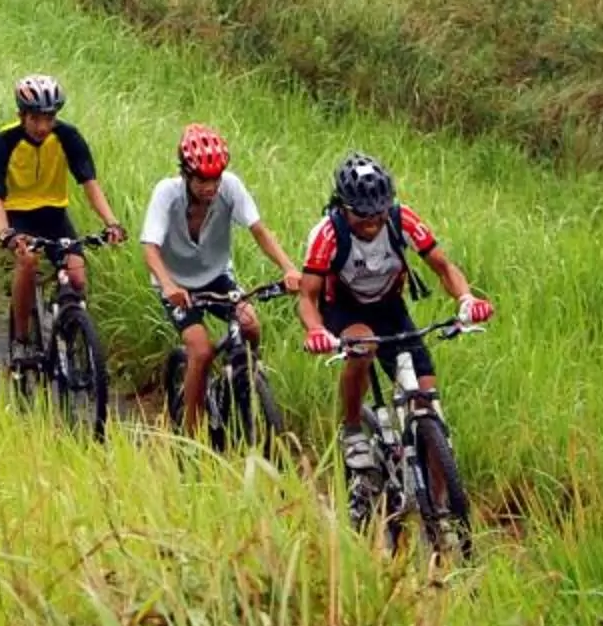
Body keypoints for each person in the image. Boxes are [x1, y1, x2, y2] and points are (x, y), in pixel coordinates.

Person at [295, 152, 496, 501]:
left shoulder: (402, 220)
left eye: (379, 212)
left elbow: (444, 267)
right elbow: (308, 297)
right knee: (363, 347)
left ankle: (438, 507)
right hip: (344, 308)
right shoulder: (327, 234)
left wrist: (466, 300)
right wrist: (316, 331)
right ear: (344, 206)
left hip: (390, 306)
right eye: (362, 214)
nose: (372, 222)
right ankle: (354, 429)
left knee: (427, 403)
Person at [140, 123, 298, 437]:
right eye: (201, 180)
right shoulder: (166, 194)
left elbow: (259, 231)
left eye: (215, 179)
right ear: (185, 174)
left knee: (250, 324)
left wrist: (289, 268)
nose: (210, 187)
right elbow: (150, 248)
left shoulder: (231, 188)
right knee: (200, 350)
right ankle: (191, 432)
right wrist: (169, 286)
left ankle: (243, 380)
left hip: (217, 276)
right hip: (176, 284)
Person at [0, 72, 125, 351]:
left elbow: (89, 183)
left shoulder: (67, 136)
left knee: (77, 277)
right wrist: (5, 231)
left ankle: (68, 335)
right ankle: (21, 339)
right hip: (18, 215)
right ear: (21, 115)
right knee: (28, 262)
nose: (42, 126)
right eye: (35, 118)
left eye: (49, 118)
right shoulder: (4, 142)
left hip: (55, 215)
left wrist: (111, 222)